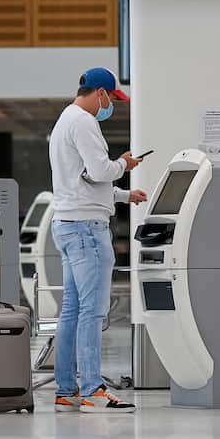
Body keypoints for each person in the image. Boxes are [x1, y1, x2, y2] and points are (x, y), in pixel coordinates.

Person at [49, 68, 146, 413]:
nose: (111, 106)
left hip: (68, 223)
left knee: (72, 312)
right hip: (87, 230)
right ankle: (92, 388)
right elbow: (102, 170)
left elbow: (84, 180)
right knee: (92, 311)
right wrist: (125, 163)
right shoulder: (85, 122)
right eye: (111, 99)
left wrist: (123, 195)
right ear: (100, 93)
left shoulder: (65, 120)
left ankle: (66, 390)